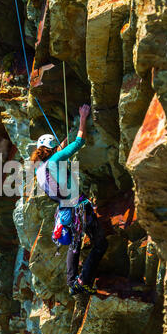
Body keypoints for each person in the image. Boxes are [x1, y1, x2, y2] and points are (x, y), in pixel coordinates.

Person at [30, 105, 108, 295]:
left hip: (65, 211)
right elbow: (79, 142)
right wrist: (83, 118)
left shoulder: (39, 170)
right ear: (51, 149)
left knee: (74, 245)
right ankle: (83, 279)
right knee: (100, 244)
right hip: (79, 206)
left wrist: (64, 140)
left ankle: (72, 282)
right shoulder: (56, 159)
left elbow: (61, 149)